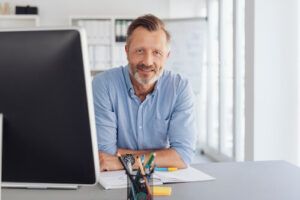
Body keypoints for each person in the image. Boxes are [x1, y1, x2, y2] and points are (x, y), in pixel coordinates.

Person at [92, 14, 196, 171]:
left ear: (166, 56)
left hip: (163, 182)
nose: (147, 61)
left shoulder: (179, 88)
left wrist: (122, 161)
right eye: (140, 50)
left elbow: (182, 156)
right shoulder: (103, 85)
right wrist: (164, 156)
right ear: (126, 52)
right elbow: (105, 153)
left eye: (156, 52)